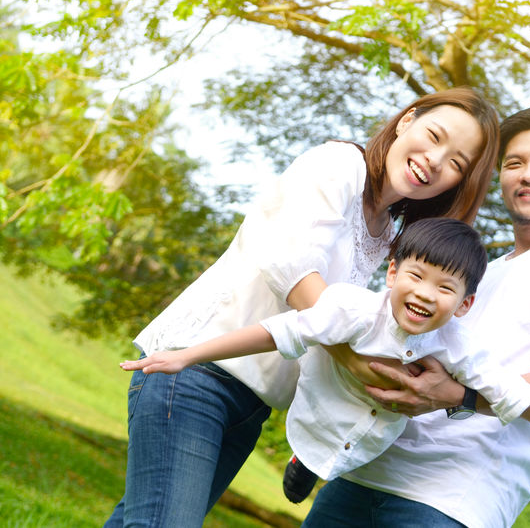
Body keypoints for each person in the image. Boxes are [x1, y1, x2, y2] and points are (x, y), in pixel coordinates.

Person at [104, 88, 501, 528]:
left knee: (140, 519)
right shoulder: (339, 165)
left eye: (456, 163)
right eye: (434, 136)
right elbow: (290, 266)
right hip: (197, 372)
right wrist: (356, 360)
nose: (435, 159)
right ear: (406, 121)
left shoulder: (386, 232)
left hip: (252, 400)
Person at [119, 218, 530, 506]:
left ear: (465, 305)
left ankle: (321, 465)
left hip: (374, 437)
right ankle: (305, 457)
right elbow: (275, 332)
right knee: (324, 428)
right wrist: (186, 354)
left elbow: (520, 397)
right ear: (393, 271)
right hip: (327, 401)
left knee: (356, 448)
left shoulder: (461, 346)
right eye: (417, 277)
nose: (425, 296)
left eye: (446, 289)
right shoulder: (351, 307)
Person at [300, 104, 530, 528]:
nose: (529, 174)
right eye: (515, 163)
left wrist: (455, 396)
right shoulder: (482, 270)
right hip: (368, 473)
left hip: (452, 500)